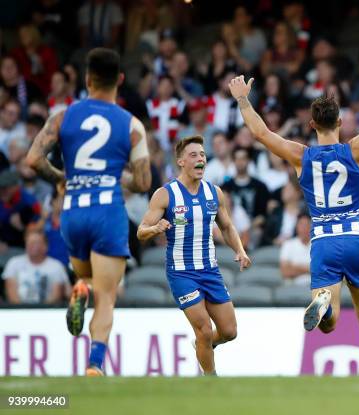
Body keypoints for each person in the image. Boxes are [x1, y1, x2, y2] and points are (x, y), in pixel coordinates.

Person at [229, 53, 359, 375]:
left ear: (312, 124)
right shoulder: (355, 148)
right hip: (356, 237)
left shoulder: (300, 155)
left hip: (324, 240)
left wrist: (244, 101)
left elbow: (261, 134)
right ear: (341, 122)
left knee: (329, 325)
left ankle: (325, 306)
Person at [25, 48, 152, 376]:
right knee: (107, 295)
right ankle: (95, 365)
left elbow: (33, 160)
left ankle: (80, 287)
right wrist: (114, 175)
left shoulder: (63, 116)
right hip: (107, 211)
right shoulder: (131, 125)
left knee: (85, 274)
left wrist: (61, 179)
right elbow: (143, 181)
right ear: (120, 80)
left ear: (86, 79)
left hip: (72, 212)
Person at [137, 136, 250, 375]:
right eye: (193, 155)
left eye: (202, 155)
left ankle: (202, 346)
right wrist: (154, 229)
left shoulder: (214, 193)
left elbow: (227, 227)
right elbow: (140, 231)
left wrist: (239, 250)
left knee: (229, 331)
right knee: (204, 330)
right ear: (180, 161)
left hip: (210, 270)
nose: (200, 159)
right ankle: (210, 382)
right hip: (182, 273)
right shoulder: (165, 194)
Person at [2, 230, 69, 305]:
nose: (31, 245)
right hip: (18, 311)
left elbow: (56, 296)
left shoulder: (56, 266)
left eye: (36, 242)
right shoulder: (13, 263)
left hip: (48, 312)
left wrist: (41, 312)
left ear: (46, 246)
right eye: (29, 242)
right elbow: (12, 294)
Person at [279, 213, 311, 285]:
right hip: (294, 287)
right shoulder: (288, 244)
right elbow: (285, 271)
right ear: (297, 226)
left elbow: (323, 272)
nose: (304, 228)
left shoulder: (319, 245)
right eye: (301, 225)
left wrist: (295, 267)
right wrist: (310, 269)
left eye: (307, 225)